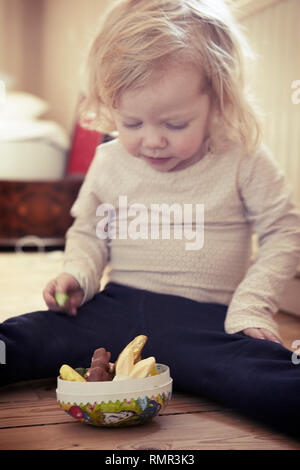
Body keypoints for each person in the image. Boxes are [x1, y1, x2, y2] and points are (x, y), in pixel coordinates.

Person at [1, 0, 300, 436]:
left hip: (206, 320)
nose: (152, 140)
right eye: (132, 122)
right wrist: (77, 275)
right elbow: (89, 232)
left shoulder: (243, 157)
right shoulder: (108, 161)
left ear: (217, 102)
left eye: (176, 124)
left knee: (265, 381)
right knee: (24, 339)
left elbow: (283, 232)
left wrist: (251, 306)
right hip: (113, 307)